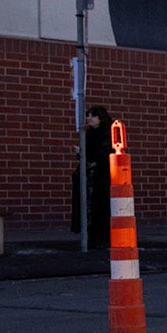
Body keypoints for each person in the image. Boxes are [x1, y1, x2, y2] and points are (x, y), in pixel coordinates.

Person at [71, 106, 111, 248]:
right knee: (89, 207)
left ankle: (100, 237)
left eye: (93, 116)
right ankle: (91, 236)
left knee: (99, 207)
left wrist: (84, 152)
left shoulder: (105, 133)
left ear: (101, 118)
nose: (89, 118)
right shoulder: (90, 134)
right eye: (88, 115)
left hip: (101, 177)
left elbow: (103, 154)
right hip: (91, 176)